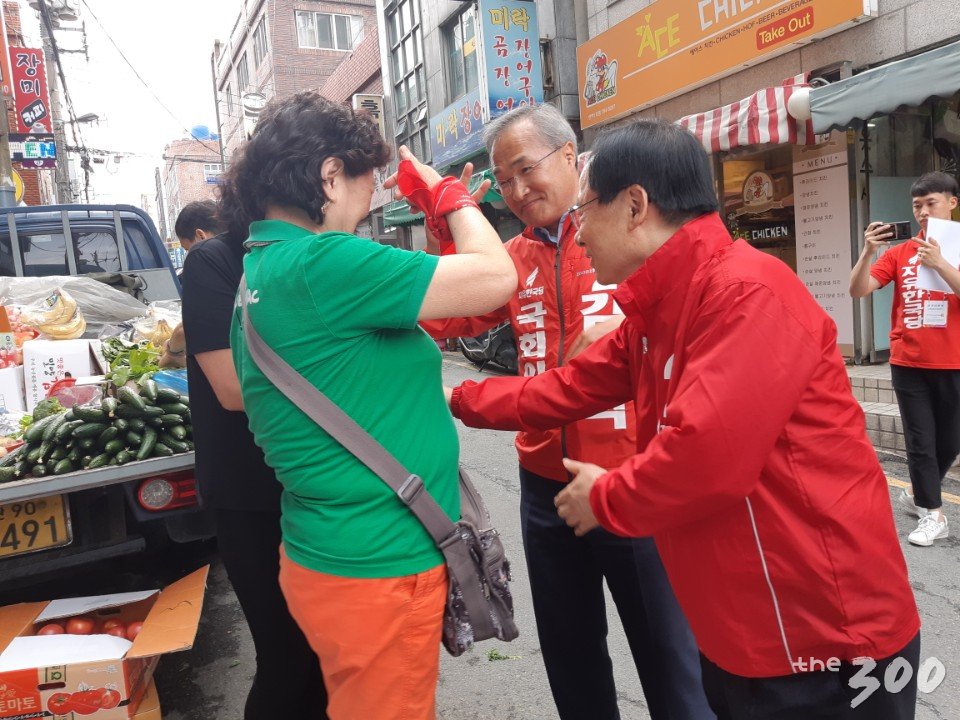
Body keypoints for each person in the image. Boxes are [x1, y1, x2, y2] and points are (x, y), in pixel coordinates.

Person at [448, 120, 921, 719]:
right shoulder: (657, 308)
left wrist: (607, 496)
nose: (580, 233)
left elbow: (708, 459)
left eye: (589, 210)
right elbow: (569, 387)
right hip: (743, 631)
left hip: (825, 639)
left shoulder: (746, 293)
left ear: (636, 206)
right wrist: (458, 400)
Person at [222, 91, 516, 720]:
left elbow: (459, 309)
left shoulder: (261, 273)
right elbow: (496, 276)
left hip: (325, 552)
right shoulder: (322, 262)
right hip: (380, 566)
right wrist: (445, 195)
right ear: (329, 175)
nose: (370, 202)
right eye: (366, 182)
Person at [421, 104, 712, 720]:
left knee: (670, 656)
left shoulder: (627, 230)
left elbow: (694, 308)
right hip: (545, 483)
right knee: (570, 649)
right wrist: (444, 223)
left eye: (528, 169)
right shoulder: (512, 258)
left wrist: (629, 322)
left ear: (571, 158)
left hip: (632, 475)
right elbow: (444, 317)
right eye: (504, 181)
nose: (519, 191)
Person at [178, 204, 328, 718]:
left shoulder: (316, 256)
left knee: (329, 655)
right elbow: (233, 387)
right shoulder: (214, 261)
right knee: (286, 658)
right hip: (251, 494)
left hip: (319, 489)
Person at [850, 171, 960, 546]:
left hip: (955, 362)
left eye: (932, 203)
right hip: (908, 362)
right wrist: (868, 251)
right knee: (920, 441)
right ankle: (933, 514)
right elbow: (858, 288)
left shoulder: (957, 247)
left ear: (952, 203)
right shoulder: (901, 252)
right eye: (917, 206)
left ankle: (918, 493)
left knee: (950, 439)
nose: (924, 212)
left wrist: (942, 264)